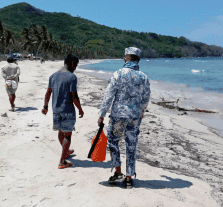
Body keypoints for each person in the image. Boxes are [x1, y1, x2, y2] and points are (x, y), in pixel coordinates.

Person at [97, 47, 151, 189]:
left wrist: (102, 114)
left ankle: (118, 172)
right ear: (138, 60)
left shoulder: (118, 74)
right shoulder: (143, 77)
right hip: (135, 117)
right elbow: (146, 98)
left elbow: (109, 96)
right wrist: (142, 111)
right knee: (131, 146)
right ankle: (128, 178)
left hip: (118, 115)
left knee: (114, 142)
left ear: (125, 58)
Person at [42, 54, 84, 169]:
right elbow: (74, 95)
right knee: (68, 135)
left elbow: (48, 92)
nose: (75, 68)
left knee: (60, 132)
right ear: (71, 64)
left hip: (56, 110)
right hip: (68, 110)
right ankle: (62, 161)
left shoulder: (53, 76)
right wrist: (80, 109)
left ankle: (66, 151)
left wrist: (45, 106)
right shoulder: (71, 77)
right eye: (75, 65)